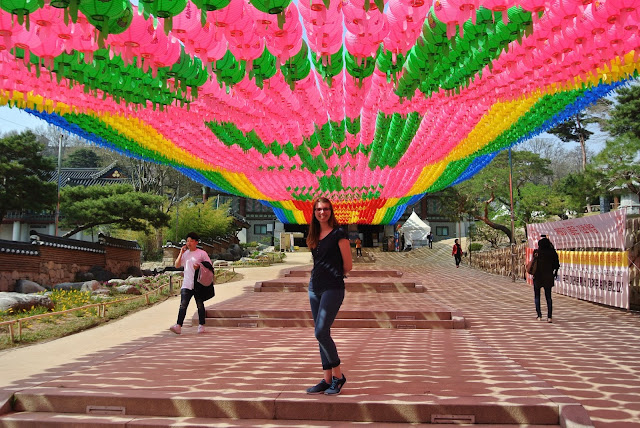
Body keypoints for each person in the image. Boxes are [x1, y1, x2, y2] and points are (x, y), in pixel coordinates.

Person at [305, 197, 353, 395]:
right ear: (314, 213)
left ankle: (339, 377)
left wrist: (333, 273)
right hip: (314, 288)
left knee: (321, 331)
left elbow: (348, 265)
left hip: (333, 288)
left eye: (325, 209)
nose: (322, 212)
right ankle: (326, 379)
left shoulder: (339, 233)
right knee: (321, 333)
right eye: (318, 209)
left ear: (331, 211)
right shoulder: (314, 235)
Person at [169, 232, 215, 335]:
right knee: (183, 305)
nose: (189, 243)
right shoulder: (185, 254)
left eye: (191, 241)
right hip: (187, 283)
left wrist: (199, 266)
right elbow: (177, 265)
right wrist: (181, 252)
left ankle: (201, 325)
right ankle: (178, 326)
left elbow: (209, 265)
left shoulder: (201, 253)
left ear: (196, 242)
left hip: (198, 284)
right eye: (187, 241)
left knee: (199, 304)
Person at [532, 236, 560, 323]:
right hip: (548, 276)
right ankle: (549, 317)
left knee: (537, 296)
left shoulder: (537, 252)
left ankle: (539, 315)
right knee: (548, 297)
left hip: (538, 276)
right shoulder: (552, 253)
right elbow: (556, 265)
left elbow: (533, 264)